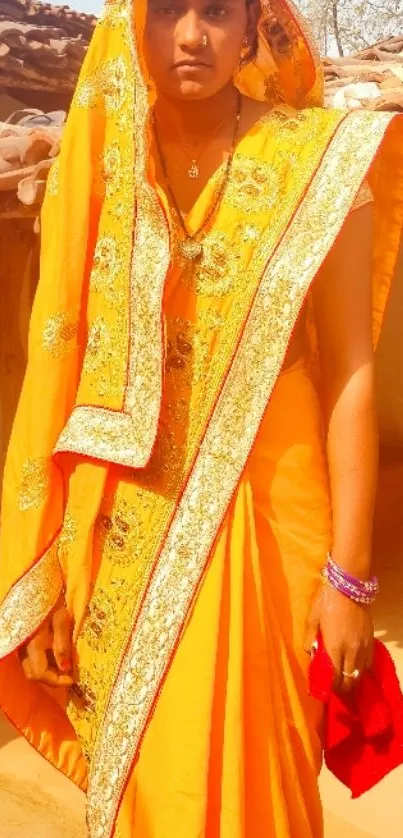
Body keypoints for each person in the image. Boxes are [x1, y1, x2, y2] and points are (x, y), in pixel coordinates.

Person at [0, 0, 402, 836]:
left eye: (217, 10)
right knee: (151, 786)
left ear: (255, 24)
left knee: (263, 778)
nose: (191, 36)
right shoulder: (100, 171)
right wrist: (53, 565)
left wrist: (351, 580)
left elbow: (352, 375)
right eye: (166, 12)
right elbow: (65, 367)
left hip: (273, 525)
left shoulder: (317, 162)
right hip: (119, 531)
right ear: (130, 26)